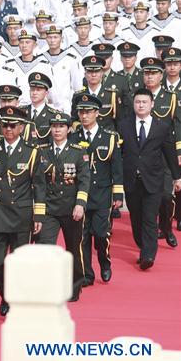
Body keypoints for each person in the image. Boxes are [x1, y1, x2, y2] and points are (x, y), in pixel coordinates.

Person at [0, 106, 43, 315]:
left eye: (12, 125)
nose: (7, 129)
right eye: (4, 125)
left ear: (21, 127)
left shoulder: (31, 151)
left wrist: (39, 214)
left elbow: (39, 184)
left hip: (20, 215)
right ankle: (7, 293)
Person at [117, 88, 181, 270]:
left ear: (152, 104)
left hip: (153, 179)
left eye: (145, 102)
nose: (141, 105)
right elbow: (117, 154)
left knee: (149, 218)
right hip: (131, 180)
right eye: (138, 102)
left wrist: (177, 177)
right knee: (136, 218)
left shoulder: (162, 127)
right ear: (134, 104)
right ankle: (143, 246)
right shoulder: (124, 125)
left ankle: (148, 255)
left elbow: (169, 153)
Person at [34, 111, 91, 302]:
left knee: (74, 248)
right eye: (54, 126)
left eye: (61, 126)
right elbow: (38, 182)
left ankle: (75, 285)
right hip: (49, 208)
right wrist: (39, 212)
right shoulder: (42, 151)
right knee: (44, 247)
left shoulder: (78, 151)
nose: (57, 130)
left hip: (70, 208)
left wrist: (80, 204)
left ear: (68, 129)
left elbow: (84, 180)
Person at [72, 94, 123, 286]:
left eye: (88, 112)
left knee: (101, 234)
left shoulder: (109, 137)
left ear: (96, 113)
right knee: (82, 237)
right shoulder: (73, 137)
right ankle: (87, 273)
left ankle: (105, 262)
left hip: (102, 193)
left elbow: (116, 167)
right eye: (81, 112)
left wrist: (118, 193)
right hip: (80, 196)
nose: (84, 116)